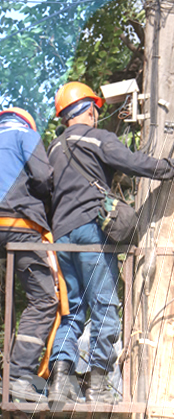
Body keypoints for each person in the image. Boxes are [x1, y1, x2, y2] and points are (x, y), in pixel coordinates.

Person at [46, 81, 174, 407]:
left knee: (71, 312)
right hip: (89, 231)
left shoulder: (52, 149)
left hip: (60, 237)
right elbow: (131, 162)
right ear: (89, 110)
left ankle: (59, 384)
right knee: (104, 307)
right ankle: (97, 387)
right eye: (95, 110)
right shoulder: (96, 137)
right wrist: (173, 169)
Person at [0, 108, 57, 403]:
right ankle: (21, 375)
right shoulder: (24, 133)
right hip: (18, 224)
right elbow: (43, 176)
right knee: (45, 298)